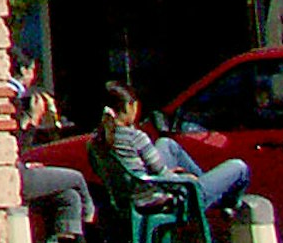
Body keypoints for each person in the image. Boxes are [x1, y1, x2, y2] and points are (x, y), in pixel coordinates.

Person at [99, 78, 252, 221]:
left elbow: (141, 171)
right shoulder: (136, 138)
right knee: (239, 167)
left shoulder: (97, 142)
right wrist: (185, 179)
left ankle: (206, 189)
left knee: (166, 143)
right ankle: (220, 200)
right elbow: (162, 175)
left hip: (133, 197)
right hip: (161, 200)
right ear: (129, 106)